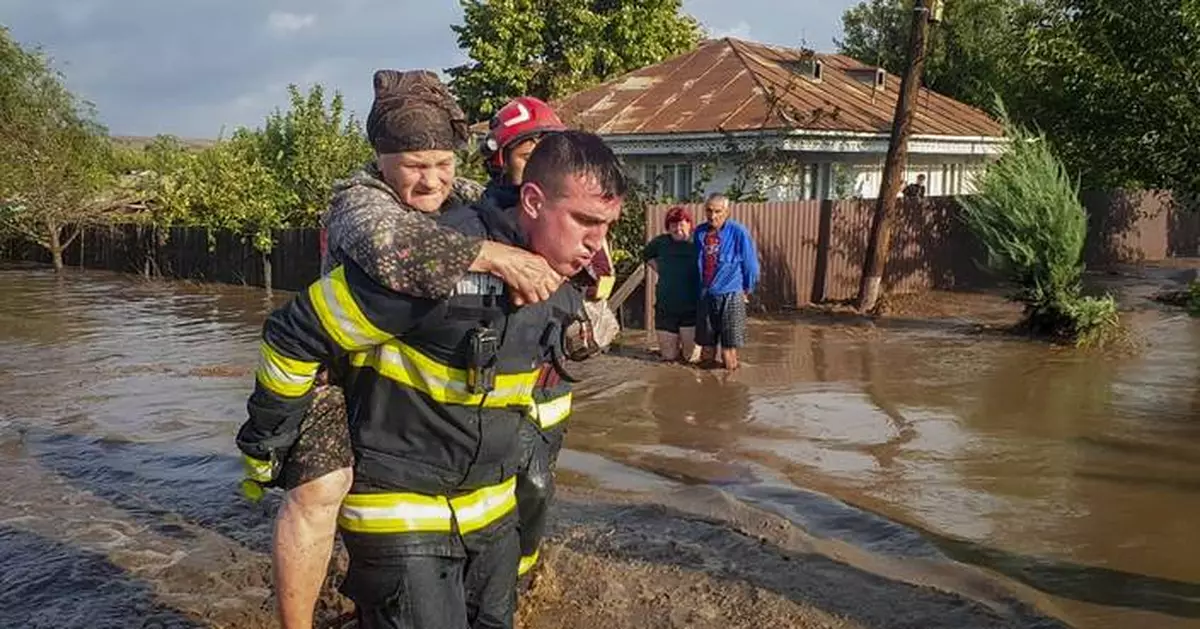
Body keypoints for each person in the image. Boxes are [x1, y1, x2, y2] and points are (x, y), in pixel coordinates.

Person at [236, 129, 627, 629]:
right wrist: (268, 442)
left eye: (607, 226)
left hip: (490, 517)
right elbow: (295, 333)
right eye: (586, 222)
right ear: (532, 200)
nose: (598, 246)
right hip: (401, 514)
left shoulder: (559, 273)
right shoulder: (433, 263)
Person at [478, 96, 617, 581]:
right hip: (495, 380)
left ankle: (523, 570)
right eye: (524, 151)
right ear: (501, 160)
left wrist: (593, 314)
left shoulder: (579, 221)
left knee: (536, 483)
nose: (536, 157)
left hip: (549, 379)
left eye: (545, 147)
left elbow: (599, 281)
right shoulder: (478, 223)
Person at [693, 193, 759, 371]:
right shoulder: (699, 233)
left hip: (731, 295)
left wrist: (747, 289)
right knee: (706, 349)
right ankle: (706, 390)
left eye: (717, 211)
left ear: (727, 212)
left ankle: (730, 390)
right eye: (709, 211)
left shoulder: (738, 232)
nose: (712, 216)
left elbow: (751, 265)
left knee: (728, 351)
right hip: (706, 295)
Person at [642, 206, 700, 362]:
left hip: (692, 309)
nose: (677, 228)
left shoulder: (698, 242)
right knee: (668, 358)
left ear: (689, 224)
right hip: (666, 308)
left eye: (681, 223)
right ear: (668, 227)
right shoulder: (660, 242)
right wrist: (661, 270)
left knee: (691, 359)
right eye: (673, 224)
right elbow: (646, 255)